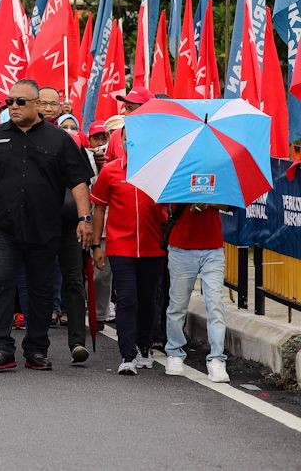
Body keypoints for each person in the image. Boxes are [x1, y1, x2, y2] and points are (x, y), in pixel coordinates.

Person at [0, 79, 93, 373]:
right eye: (10, 102)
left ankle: (36, 348)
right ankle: (1, 349)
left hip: (44, 229)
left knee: (40, 289)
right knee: (0, 286)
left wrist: (85, 220)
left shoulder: (59, 140)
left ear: (37, 105)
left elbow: (78, 182)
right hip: (2, 229)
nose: (14, 107)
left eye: (21, 102)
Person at [90, 128, 166, 376]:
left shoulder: (159, 170)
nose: (132, 143)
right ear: (120, 141)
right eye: (126, 138)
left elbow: (169, 207)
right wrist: (96, 246)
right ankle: (127, 354)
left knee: (147, 300)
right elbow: (99, 208)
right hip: (120, 246)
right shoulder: (110, 171)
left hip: (153, 247)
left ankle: (145, 347)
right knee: (126, 299)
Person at [163, 202, 230, 382]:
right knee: (178, 304)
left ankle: (217, 358)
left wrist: (209, 203)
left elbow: (230, 205)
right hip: (181, 247)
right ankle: (174, 353)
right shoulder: (176, 173)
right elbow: (165, 202)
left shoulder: (219, 173)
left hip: (213, 248)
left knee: (215, 303)